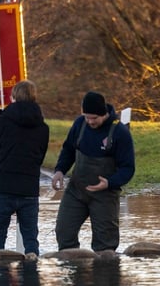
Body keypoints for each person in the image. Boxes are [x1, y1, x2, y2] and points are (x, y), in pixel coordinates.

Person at [51, 91, 135, 252]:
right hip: (76, 192)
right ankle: (75, 272)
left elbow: (128, 168)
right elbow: (68, 150)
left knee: (105, 244)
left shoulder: (119, 132)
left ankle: (104, 273)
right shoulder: (79, 124)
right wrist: (60, 170)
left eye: (94, 118)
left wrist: (110, 183)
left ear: (104, 114)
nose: (90, 121)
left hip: (105, 196)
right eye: (86, 117)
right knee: (64, 232)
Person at [0, 79, 50, 255]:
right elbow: (39, 156)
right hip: (29, 189)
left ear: (14, 97)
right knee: (31, 239)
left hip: (4, 187)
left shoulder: (5, 120)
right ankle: (32, 276)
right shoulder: (43, 128)